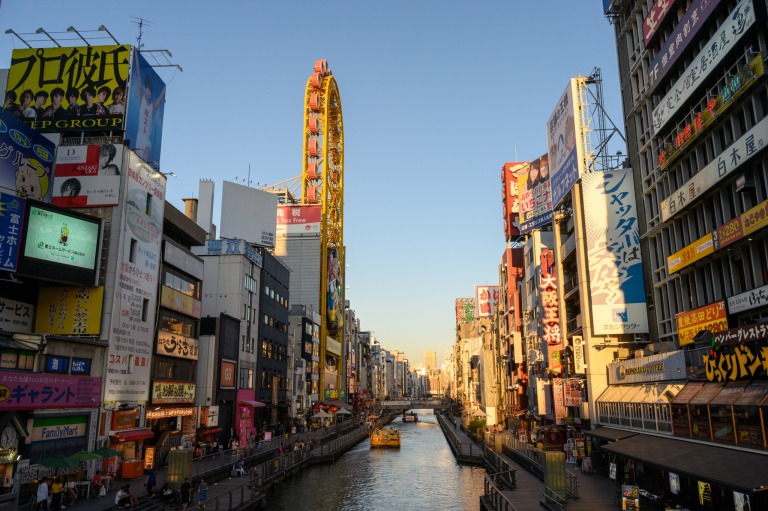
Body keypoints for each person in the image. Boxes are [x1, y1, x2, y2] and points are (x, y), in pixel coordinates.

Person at [133, 63, 167, 161]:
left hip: (147, 141)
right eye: (146, 90)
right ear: (145, 90)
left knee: (146, 156)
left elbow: (160, 97)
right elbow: (139, 77)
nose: (148, 92)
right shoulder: (142, 99)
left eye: (150, 91)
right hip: (139, 139)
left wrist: (166, 86)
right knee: (136, 164)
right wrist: (135, 55)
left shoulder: (152, 107)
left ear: (151, 93)